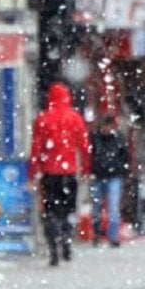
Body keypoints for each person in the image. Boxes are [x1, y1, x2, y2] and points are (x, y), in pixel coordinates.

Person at [28, 82, 90, 266]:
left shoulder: (42, 119)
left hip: (49, 173)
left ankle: (53, 249)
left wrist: (33, 173)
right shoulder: (75, 118)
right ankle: (67, 242)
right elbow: (84, 147)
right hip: (69, 172)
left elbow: (36, 148)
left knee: (50, 212)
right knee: (68, 210)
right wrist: (85, 169)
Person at [89, 115, 129, 248]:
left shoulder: (115, 139)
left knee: (111, 207)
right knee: (99, 207)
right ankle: (99, 234)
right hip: (101, 175)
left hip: (111, 175)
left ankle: (110, 235)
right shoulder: (97, 138)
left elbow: (125, 156)